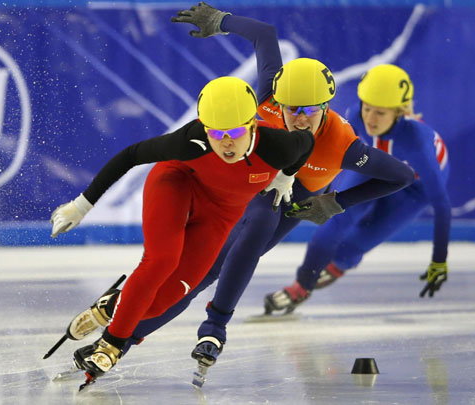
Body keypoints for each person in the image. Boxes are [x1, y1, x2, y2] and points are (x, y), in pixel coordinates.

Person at [71, 3, 415, 384]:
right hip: (258, 180)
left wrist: (335, 203)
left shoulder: (343, 145)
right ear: (277, 102)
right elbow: (265, 35)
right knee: (192, 268)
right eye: (291, 109)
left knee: (223, 259)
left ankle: (182, 331)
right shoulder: (267, 96)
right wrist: (221, 22)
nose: (299, 118)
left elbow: (400, 176)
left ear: (327, 106)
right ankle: (121, 328)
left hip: (296, 198)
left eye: (311, 110)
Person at [50, 75, 316, 386]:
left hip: (220, 213)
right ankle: (111, 345)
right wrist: (81, 205)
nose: (226, 141)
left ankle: (111, 306)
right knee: (162, 260)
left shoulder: (278, 146)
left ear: (253, 125)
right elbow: (131, 156)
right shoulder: (192, 139)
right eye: (217, 132)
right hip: (177, 184)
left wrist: (286, 176)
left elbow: (307, 144)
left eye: (235, 131)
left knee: (168, 299)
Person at [270, 64, 450, 311]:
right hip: (376, 169)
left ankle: (341, 263)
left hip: (414, 190)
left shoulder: (417, 145)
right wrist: (328, 195)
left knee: (355, 244)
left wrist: (439, 261)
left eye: (380, 113)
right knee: (331, 225)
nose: (370, 119)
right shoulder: (354, 116)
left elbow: (442, 206)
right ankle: (300, 286)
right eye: (367, 108)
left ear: (399, 113)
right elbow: (336, 158)